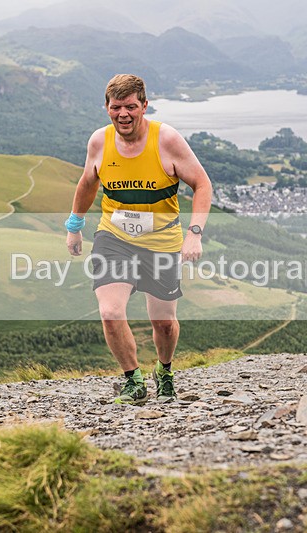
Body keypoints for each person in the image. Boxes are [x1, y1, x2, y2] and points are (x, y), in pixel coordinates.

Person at [64, 74, 212, 404]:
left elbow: (202, 184)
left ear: (145, 106)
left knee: (163, 322)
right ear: (107, 108)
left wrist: (194, 234)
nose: (123, 114)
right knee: (110, 312)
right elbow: (88, 182)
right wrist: (74, 226)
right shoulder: (99, 142)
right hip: (114, 237)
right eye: (116, 107)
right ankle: (133, 380)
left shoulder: (166, 140)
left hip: (161, 241)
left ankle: (165, 370)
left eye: (131, 107)